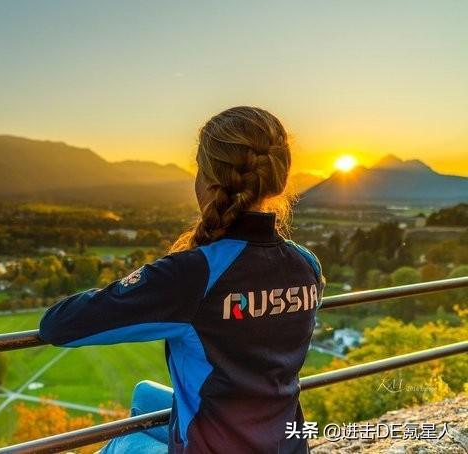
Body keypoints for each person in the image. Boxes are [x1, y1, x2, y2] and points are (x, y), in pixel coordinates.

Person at [38, 106, 326, 453]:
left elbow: (57, 325)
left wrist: (141, 282)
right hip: (285, 445)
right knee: (145, 395)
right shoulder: (306, 265)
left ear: (207, 179)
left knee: (124, 443)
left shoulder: (193, 273)